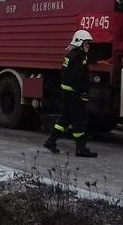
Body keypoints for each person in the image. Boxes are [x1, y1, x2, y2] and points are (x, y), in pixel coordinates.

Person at [43, 29, 98, 158]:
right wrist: (83, 92)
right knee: (79, 121)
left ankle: (50, 141)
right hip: (74, 95)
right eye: (86, 44)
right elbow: (77, 78)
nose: (88, 46)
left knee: (64, 119)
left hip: (67, 93)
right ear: (79, 43)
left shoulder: (71, 55)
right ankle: (81, 148)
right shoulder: (79, 58)